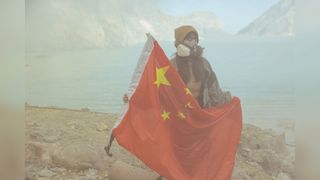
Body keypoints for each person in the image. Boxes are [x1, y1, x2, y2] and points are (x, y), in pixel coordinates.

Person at [107, 25, 233, 180]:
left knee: (199, 153)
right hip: (178, 119)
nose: (192, 42)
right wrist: (133, 98)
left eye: (195, 39)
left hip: (200, 117)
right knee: (179, 152)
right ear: (179, 41)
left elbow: (215, 92)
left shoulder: (205, 65)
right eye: (188, 38)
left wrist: (230, 102)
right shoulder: (170, 67)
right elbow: (155, 92)